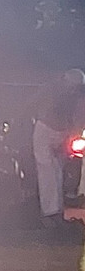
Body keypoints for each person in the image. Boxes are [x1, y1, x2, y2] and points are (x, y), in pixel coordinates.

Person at [32, 69, 85, 224]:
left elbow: (78, 119)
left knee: (56, 171)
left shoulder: (75, 97)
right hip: (46, 130)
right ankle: (50, 212)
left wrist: (68, 137)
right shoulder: (52, 93)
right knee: (47, 170)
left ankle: (55, 211)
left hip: (61, 133)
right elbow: (48, 114)